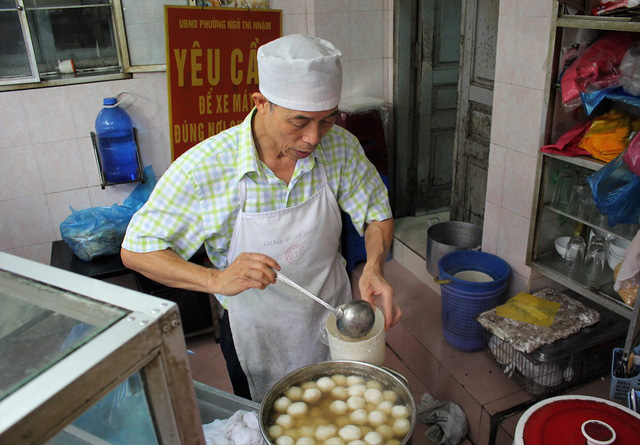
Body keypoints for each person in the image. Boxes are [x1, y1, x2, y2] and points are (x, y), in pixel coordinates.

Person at [121, 34, 402, 402]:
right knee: (266, 423)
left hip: (331, 317)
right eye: (299, 122)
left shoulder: (341, 148)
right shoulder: (204, 169)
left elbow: (377, 213)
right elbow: (137, 250)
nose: (314, 138)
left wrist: (374, 267)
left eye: (327, 120)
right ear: (261, 103)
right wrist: (215, 279)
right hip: (254, 333)